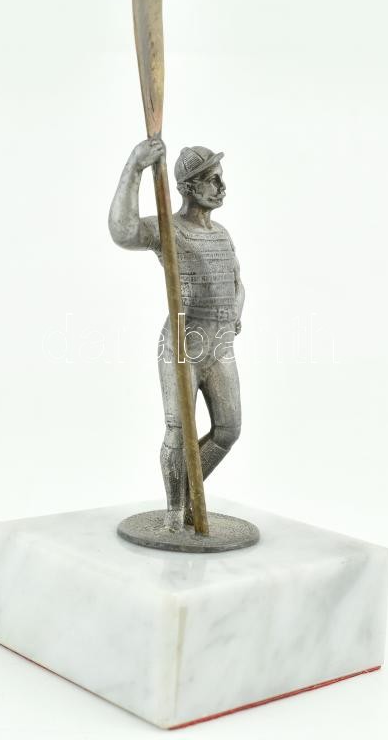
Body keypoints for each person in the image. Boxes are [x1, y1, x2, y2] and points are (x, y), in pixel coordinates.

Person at [109, 139, 244, 530]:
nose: (221, 187)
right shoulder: (169, 229)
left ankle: (188, 497)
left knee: (228, 430)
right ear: (188, 187)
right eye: (212, 179)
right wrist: (135, 166)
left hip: (220, 345)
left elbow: (238, 281)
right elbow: (123, 231)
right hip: (183, 342)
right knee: (178, 429)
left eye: (221, 178)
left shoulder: (222, 234)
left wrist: (236, 310)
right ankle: (174, 510)